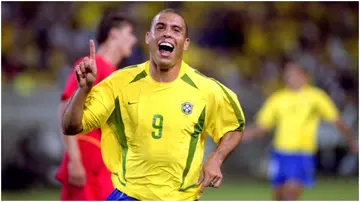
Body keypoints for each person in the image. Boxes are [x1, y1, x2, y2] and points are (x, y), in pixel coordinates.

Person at [61, 9, 246, 201]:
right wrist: (83, 89)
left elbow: (234, 126)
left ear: (186, 43)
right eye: (160, 27)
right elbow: (71, 126)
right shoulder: (119, 83)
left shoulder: (205, 89)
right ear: (149, 38)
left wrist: (216, 159)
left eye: (176, 30)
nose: (167, 33)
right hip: (129, 195)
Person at [243, 61, 358, 201]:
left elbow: (336, 120)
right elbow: (262, 127)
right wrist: (242, 136)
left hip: (302, 153)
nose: (289, 76)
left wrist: (351, 140)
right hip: (280, 153)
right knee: (278, 197)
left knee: (290, 194)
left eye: (293, 73)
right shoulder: (278, 98)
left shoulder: (316, 97)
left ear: (305, 76)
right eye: (287, 73)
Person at [55, 11, 137, 200]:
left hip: (105, 165)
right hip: (86, 160)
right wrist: (75, 160)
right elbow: (64, 109)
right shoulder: (91, 66)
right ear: (114, 33)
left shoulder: (116, 76)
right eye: (130, 33)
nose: (133, 40)